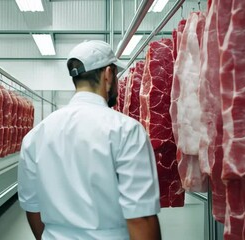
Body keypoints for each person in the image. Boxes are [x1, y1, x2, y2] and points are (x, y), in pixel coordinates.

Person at [17, 40, 161, 240]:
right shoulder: (126, 130)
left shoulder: (36, 135)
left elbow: (33, 209)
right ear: (108, 74)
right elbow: (141, 218)